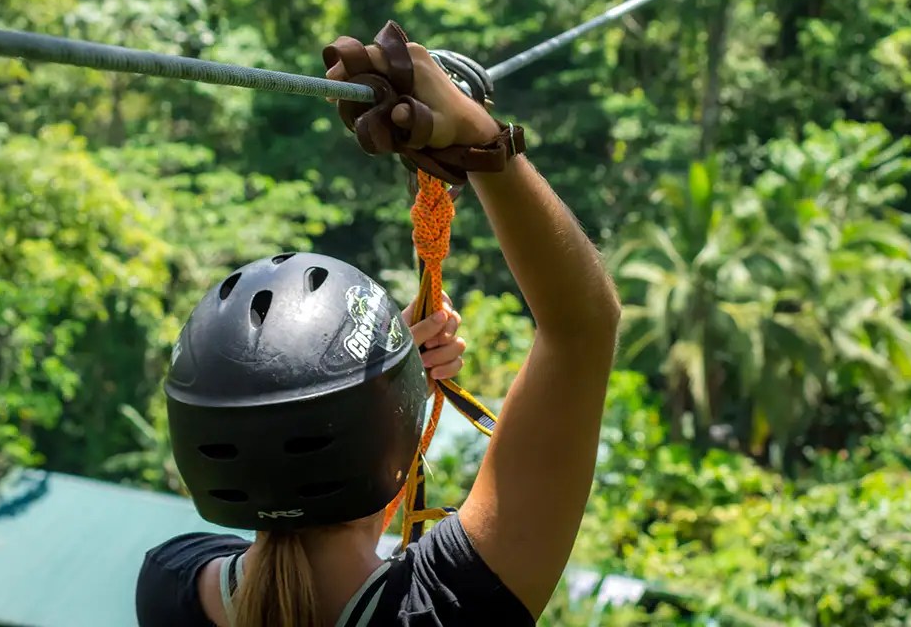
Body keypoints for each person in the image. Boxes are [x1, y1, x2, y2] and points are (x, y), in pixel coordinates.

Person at [135, 36, 621, 626]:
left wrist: (385, 387)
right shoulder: (446, 607)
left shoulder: (168, 588)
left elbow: (298, 546)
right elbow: (581, 327)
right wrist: (478, 138)